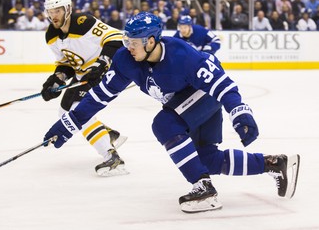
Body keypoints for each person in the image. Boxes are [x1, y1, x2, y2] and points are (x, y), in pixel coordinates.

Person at [43, 12, 301, 213]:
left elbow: (222, 84)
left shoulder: (183, 56)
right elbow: (99, 97)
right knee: (208, 159)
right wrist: (69, 124)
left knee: (164, 124)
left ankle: (204, 189)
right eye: (126, 41)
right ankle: (274, 164)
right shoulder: (125, 60)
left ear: (151, 41)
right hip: (186, 102)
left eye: (133, 42)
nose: (128, 47)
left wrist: (240, 113)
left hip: (206, 96)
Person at [41, 0, 128, 177]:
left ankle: (112, 157)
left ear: (67, 9)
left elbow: (116, 38)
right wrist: (57, 79)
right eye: (50, 11)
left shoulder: (83, 23)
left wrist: (102, 62)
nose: (53, 16)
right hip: (84, 76)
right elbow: (66, 63)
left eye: (57, 11)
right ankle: (108, 135)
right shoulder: (51, 35)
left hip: (106, 72)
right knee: (64, 113)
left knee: (77, 111)